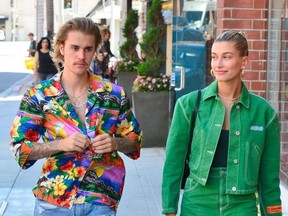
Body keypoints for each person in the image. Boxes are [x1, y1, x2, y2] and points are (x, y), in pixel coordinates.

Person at [10, 17, 142, 216]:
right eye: (75, 48)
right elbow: (20, 149)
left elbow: (135, 140)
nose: (81, 55)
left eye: (88, 49)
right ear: (61, 48)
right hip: (54, 200)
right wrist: (61, 145)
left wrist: (115, 143)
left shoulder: (113, 94)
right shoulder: (39, 95)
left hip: (100, 198)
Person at [162, 30, 282, 216]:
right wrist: (169, 208)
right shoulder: (188, 105)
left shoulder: (264, 114)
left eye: (226, 57)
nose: (218, 64)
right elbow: (173, 163)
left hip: (242, 205)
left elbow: (269, 179)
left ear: (244, 61)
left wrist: (274, 213)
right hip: (197, 202)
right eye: (214, 57)